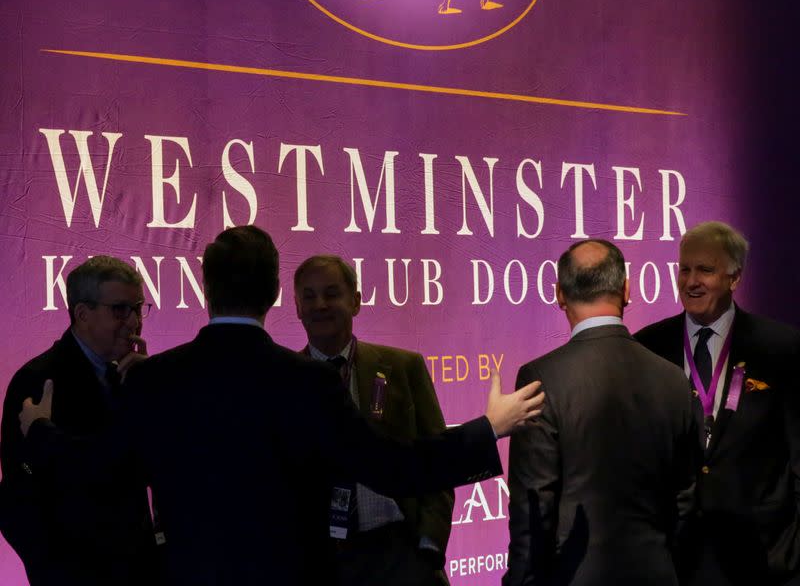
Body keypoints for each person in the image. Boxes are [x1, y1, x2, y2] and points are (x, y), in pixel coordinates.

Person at [20, 225, 543, 586]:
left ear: (206, 289)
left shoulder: (155, 379)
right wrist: (489, 428)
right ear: (275, 293)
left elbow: (96, 465)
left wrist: (39, 431)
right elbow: (395, 467)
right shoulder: (307, 383)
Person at [504, 239, 697, 586]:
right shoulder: (673, 378)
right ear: (626, 289)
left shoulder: (540, 379)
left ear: (560, 294)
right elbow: (684, 499)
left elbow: (533, 510)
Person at [636, 221, 800, 586]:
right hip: (674, 561)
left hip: (764, 560)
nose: (691, 281)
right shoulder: (648, 347)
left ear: (734, 278)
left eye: (705, 270)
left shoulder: (783, 348)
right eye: (684, 269)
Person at [294, 254, 454, 586]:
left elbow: (438, 462)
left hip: (401, 555)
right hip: (322, 562)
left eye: (331, 293)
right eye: (308, 296)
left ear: (355, 301)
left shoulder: (402, 367)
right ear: (296, 307)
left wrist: (429, 545)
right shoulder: (284, 381)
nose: (319, 304)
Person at [0, 256, 155, 586]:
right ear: (82, 314)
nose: (134, 322)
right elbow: (18, 498)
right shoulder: (37, 379)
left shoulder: (134, 376)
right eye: (120, 310)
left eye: (138, 308)